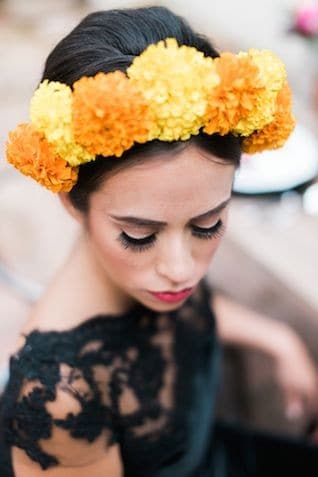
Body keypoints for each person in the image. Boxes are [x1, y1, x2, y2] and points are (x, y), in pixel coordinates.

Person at [1, 6, 318, 476]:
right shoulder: (60, 396)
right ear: (71, 199)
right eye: (138, 235)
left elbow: (193, 308)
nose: (181, 268)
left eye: (207, 225)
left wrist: (278, 339)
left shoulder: (149, 275)